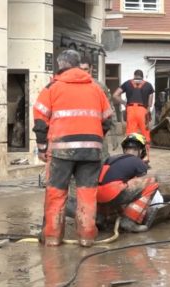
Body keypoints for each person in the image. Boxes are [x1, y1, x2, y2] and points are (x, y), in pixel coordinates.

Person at [32, 49, 113, 247]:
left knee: (57, 192)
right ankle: (86, 238)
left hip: (62, 150)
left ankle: (52, 237)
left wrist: (42, 148)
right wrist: (95, 138)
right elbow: (107, 119)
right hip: (91, 150)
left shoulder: (52, 88)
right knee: (87, 193)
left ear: (61, 65)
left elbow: (40, 121)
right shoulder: (95, 88)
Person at [96, 133, 170, 232]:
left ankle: (100, 218)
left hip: (98, 195)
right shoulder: (137, 162)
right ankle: (129, 220)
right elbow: (140, 184)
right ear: (141, 150)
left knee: (114, 187)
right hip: (113, 192)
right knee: (152, 182)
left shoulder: (111, 159)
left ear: (124, 149)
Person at [112, 70, 155, 162]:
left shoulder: (127, 83)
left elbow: (115, 95)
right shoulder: (149, 85)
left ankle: (129, 159)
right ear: (142, 77)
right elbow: (150, 103)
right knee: (145, 135)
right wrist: (147, 115)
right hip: (142, 110)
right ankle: (146, 158)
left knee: (130, 135)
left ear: (134, 75)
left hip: (130, 110)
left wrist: (124, 103)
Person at [79, 58, 114, 161]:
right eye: (80, 69)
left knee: (101, 161)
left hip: (97, 131)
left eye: (86, 69)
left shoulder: (99, 86)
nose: (83, 72)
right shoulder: (70, 86)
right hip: (78, 132)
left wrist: (112, 133)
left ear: (91, 69)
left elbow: (109, 110)